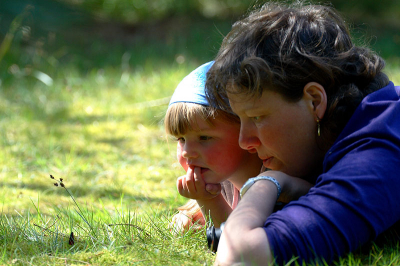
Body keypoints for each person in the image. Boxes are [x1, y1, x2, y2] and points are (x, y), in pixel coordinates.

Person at [205, 2, 400, 265]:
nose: (244, 141)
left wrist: (268, 183)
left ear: (314, 101)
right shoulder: (367, 123)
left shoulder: (379, 151)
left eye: (257, 117)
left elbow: (242, 254)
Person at [165, 61, 263, 232]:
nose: (187, 152)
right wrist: (193, 212)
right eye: (181, 139)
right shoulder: (224, 179)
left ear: (246, 130)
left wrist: (209, 201)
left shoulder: (272, 185)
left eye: (204, 137)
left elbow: (242, 239)